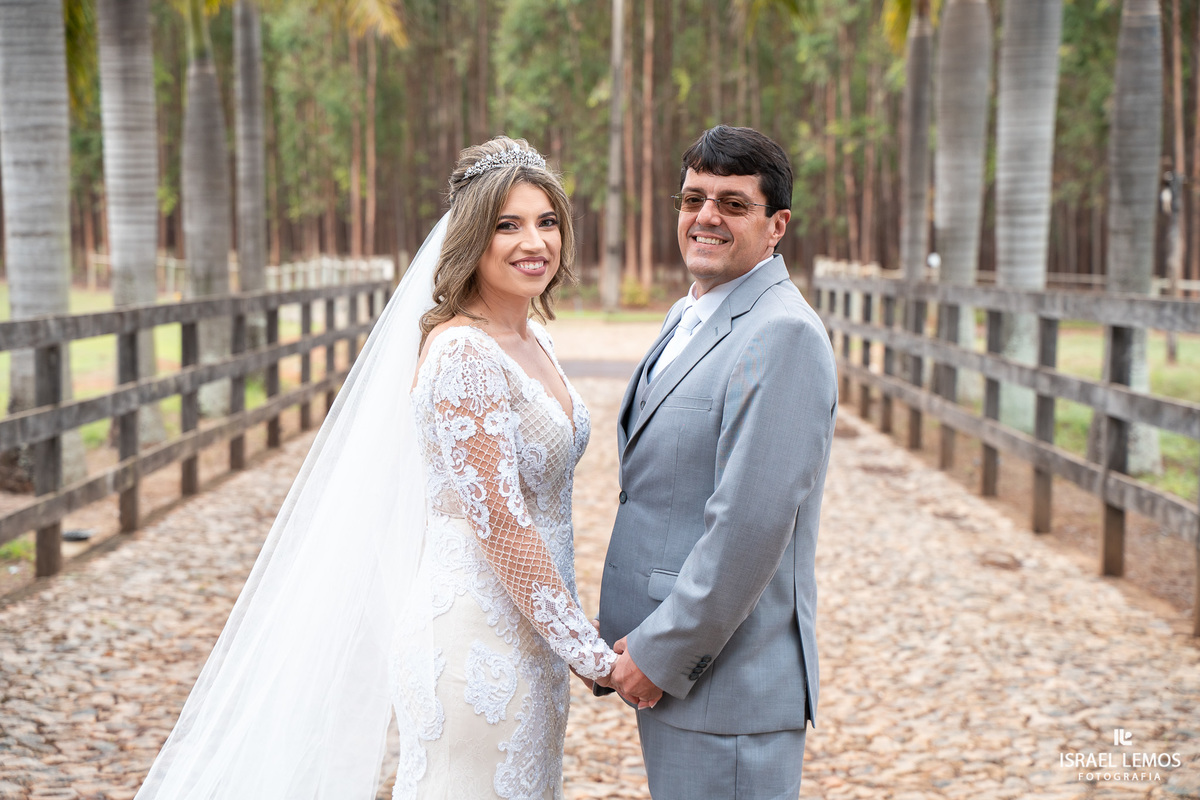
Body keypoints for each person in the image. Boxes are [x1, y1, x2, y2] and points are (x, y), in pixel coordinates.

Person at [134, 136, 618, 800]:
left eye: (546, 221)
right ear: (471, 237)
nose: (533, 241)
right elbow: (501, 524)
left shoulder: (537, 341)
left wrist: (565, 643)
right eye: (507, 224)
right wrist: (591, 654)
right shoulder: (463, 356)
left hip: (533, 641)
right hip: (476, 641)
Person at [597, 125, 838, 799]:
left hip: (726, 684)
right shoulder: (688, 315)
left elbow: (749, 527)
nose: (706, 216)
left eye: (733, 203)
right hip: (674, 676)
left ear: (777, 224)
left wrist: (662, 652)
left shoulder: (782, 334)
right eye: (693, 198)